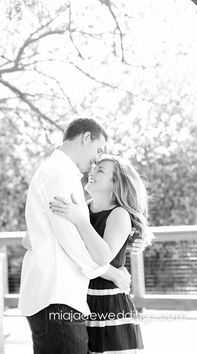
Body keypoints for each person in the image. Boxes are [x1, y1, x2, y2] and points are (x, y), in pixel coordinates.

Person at [19, 119, 131, 354]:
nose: (95, 160)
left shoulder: (59, 172)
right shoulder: (59, 173)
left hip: (59, 297)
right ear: (86, 137)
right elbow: (70, 240)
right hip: (57, 297)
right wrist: (109, 270)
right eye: (98, 150)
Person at [50, 154, 151, 353]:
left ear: (116, 183)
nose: (92, 172)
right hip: (80, 297)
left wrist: (80, 220)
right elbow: (70, 250)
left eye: (101, 170)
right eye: (95, 167)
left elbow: (97, 258)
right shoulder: (82, 209)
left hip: (108, 303)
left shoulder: (119, 214)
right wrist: (116, 273)